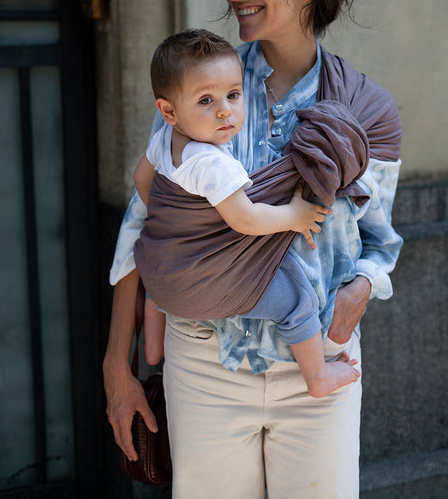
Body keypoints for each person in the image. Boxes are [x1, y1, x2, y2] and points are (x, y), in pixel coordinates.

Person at [104, 0, 403, 498]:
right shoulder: (204, 87)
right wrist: (119, 365)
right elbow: (146, 226)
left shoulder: (367, 111)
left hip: (318, 357)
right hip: (205, 359)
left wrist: (362, 288)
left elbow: (381, 240)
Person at [134, 28, 360, 398]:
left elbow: (142, 178)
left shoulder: (164, 140)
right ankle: (318, 375)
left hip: (162, 282)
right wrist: (295, 216)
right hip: (203, 288)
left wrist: (171, 224)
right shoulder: (212, 163)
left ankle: (153, 349)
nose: (225, 110)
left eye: (233, 95)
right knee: (296, 295)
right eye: (206, 100)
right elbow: (247, 219)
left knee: (157, 253)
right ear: (169, 111)